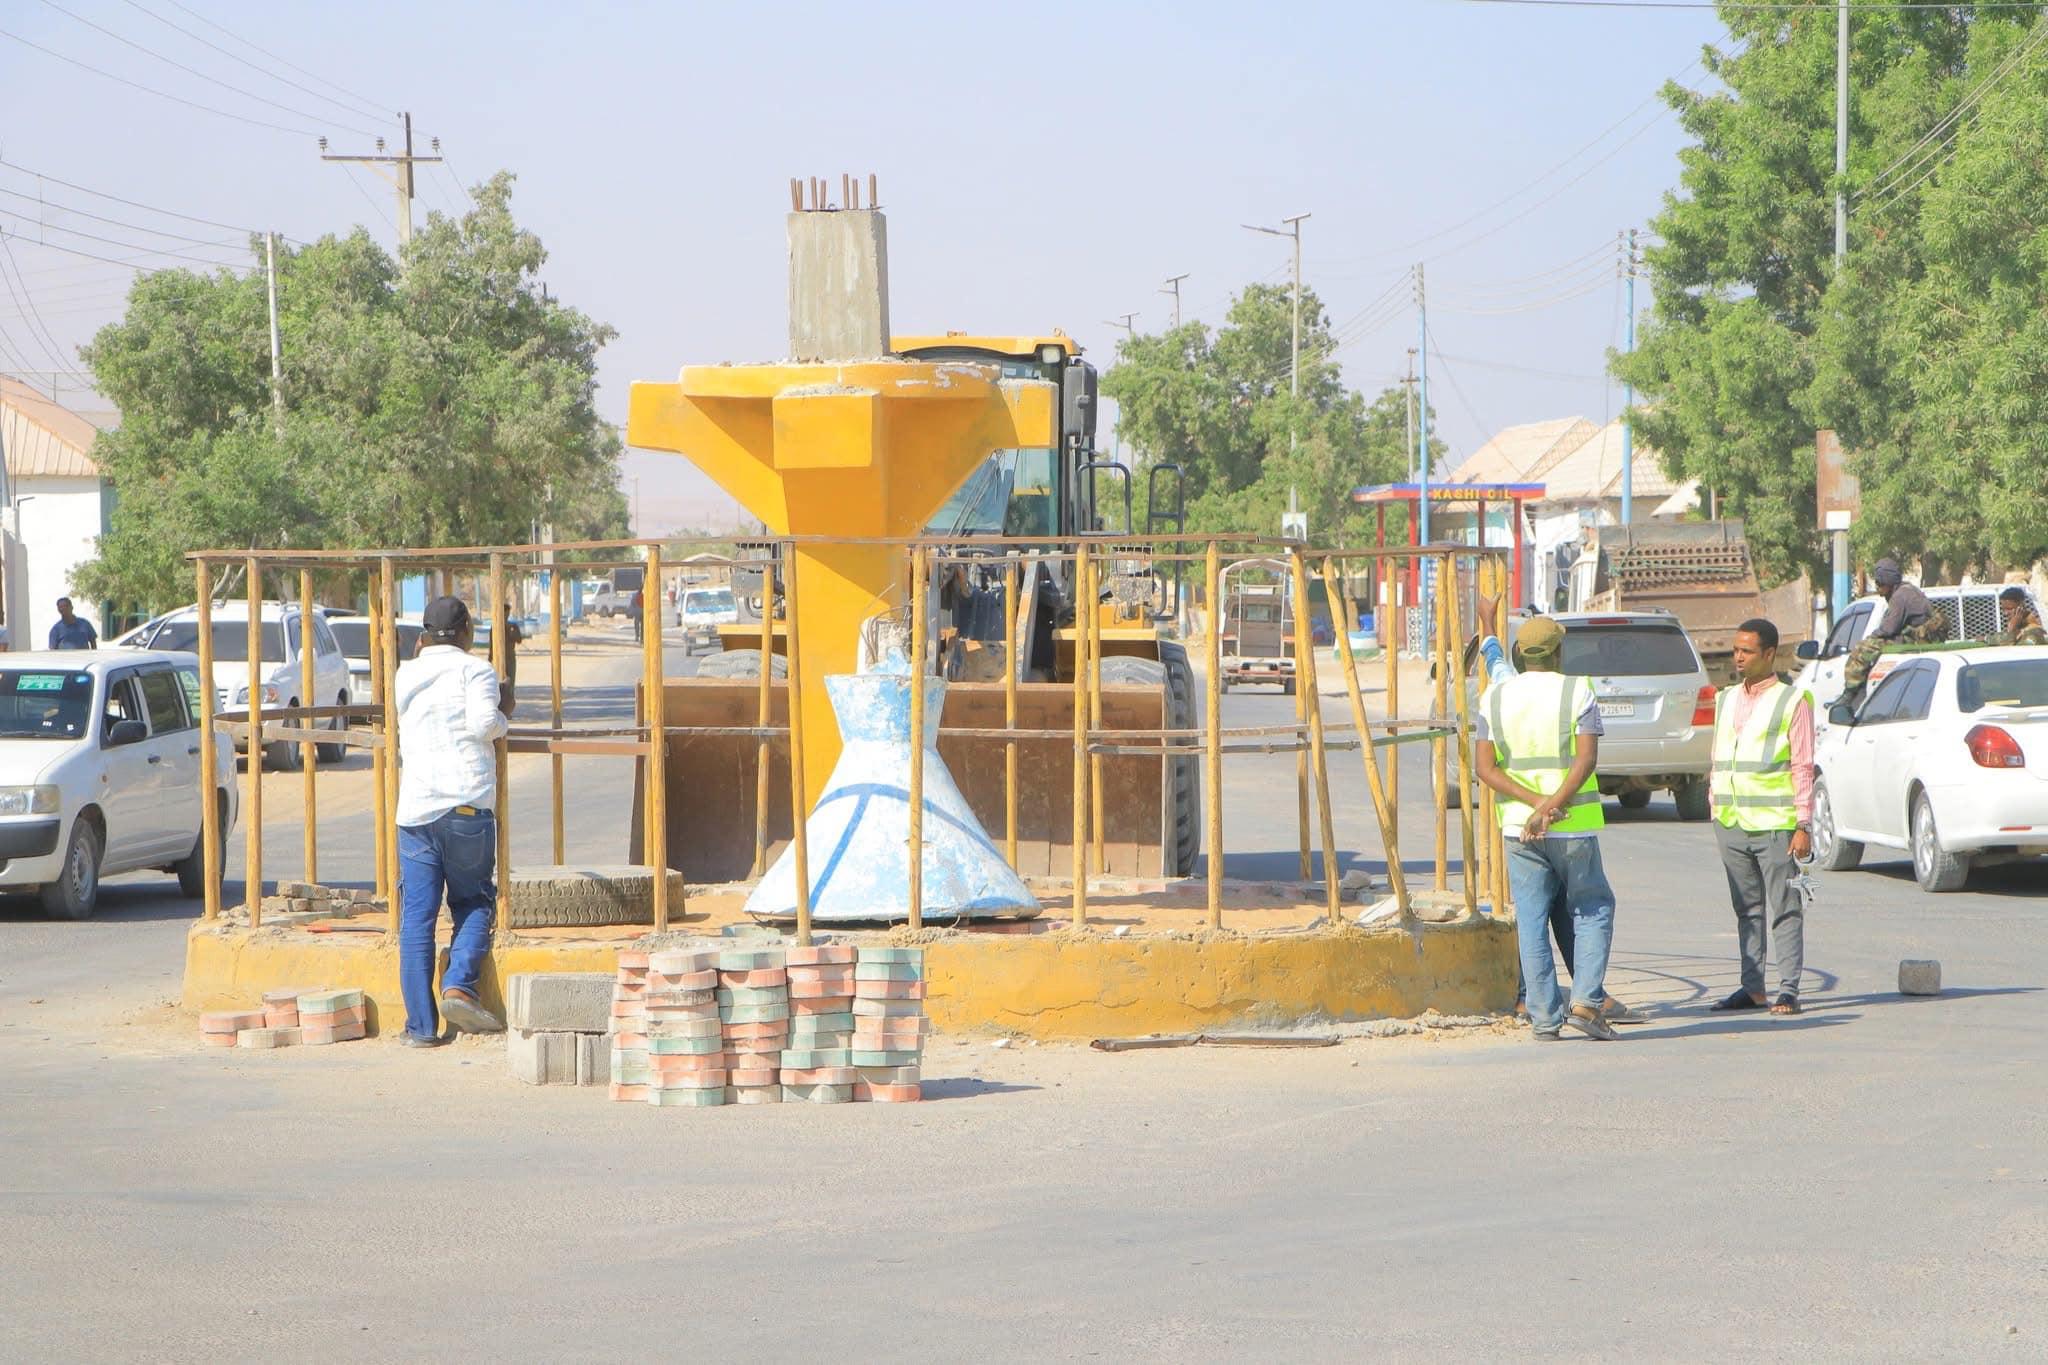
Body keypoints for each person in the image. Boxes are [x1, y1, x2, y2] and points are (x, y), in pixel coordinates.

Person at [1474, 615, 1620, 1042]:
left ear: (1521, 653)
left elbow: (1485, 767)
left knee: (1532, 920)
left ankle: (1543, 1019)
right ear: (1559, 652)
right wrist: (1553, 805)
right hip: (1571, 825)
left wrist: (1535, 806)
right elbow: (1586, 759)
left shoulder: (1495, 697)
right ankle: (1586, 1004)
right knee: (1593, 908)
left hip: (1520, 828)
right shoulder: (1578, 691)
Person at [394, 595, 513, 1046]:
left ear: (423, 635)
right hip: (466, 804)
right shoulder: (475, 670)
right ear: (465, 631)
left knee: (418, 919)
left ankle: (420, 1028)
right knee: (474, 902)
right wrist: (506, 712)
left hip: (417, 810)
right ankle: (459, 984)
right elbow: (485, 724)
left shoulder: (407, 673)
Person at [1709, 619, 1815, 1016]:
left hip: (1775, 824)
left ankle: (1788, 989)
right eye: (1735, 649)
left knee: (1785, 906)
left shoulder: (1792, 701)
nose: (1738, 657)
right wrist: (1715, 806)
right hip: (1731, 820)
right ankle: (1752, 988)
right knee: (1746, 908)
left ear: (1769, 654)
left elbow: (1803, 766)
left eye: (1747, 651)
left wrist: (1802, 825)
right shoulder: (1724, 699)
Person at [1839, 558, 1948, 703]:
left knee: (1863, 648)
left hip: (1917, 641)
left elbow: (1889, 629)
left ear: (1888, 582)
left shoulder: (1899, 597)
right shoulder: (1909, 589)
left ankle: (1849, 695)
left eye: (1879, 584)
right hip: (1922, 638)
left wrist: (1872, 637)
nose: (1878, 590)